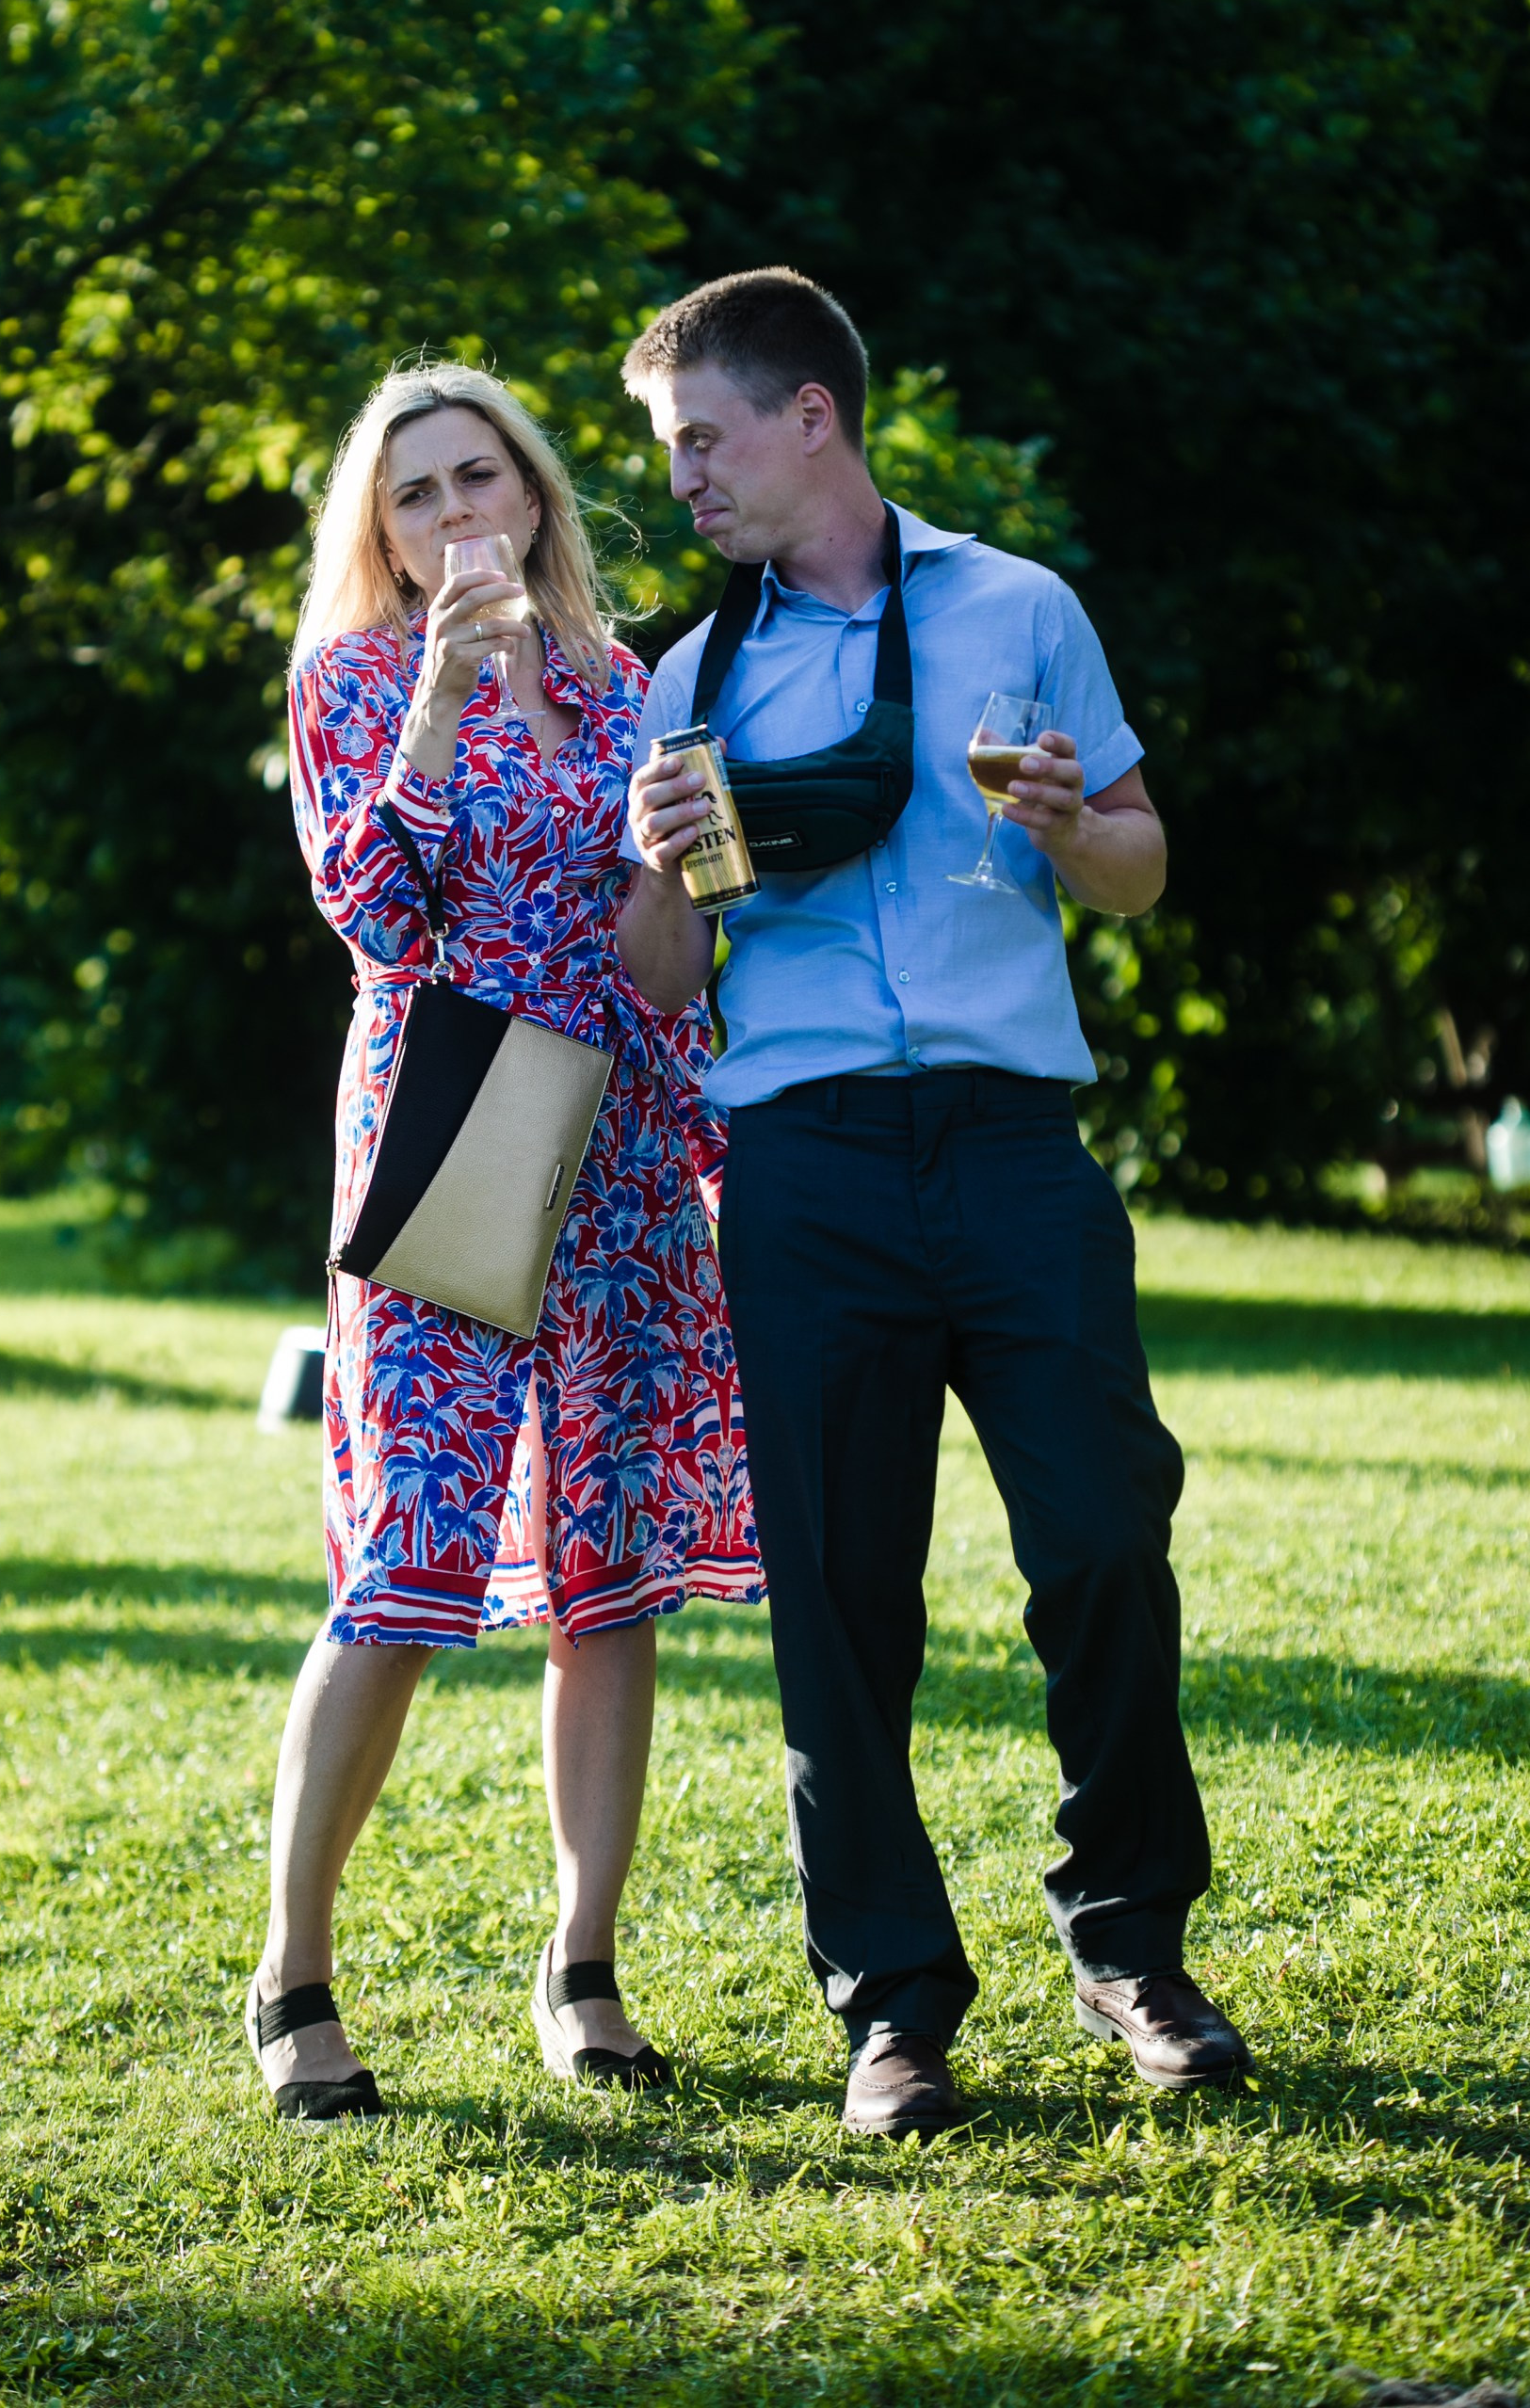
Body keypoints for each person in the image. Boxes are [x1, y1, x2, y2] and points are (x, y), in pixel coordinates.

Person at [618, 269, 1251, 2137]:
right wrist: (663, 867)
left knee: (1103, 1541)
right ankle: (892, 2001)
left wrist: (1075, 828)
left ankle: (1131, 1944)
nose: (685, 487)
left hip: (1009, 1150)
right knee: (835, 1595)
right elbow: (663, 971)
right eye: (672, 457)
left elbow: (1137, 869)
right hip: (802, 1167)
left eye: (701, 443)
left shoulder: (1017, 611)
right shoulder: (696, 674)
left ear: (809, 414)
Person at [250, 362, 761, 2120]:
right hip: (457, 1135)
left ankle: (584, 1965)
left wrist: (685, 871)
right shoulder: (351, 681)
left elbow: (676, 971)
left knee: (611, 1579)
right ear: (379, 534)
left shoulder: (637, 693)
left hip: (619, 1158)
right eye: (418, 494)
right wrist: (443, 697)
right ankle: (293, 1978)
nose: (459, 513)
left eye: (485, 478)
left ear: (539, 496)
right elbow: (378, 921)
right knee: (404, 1568)